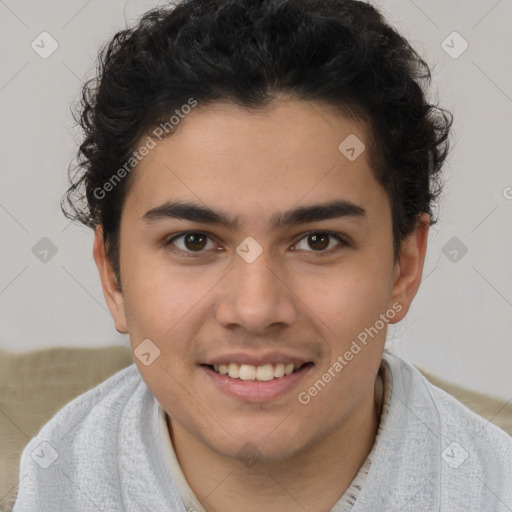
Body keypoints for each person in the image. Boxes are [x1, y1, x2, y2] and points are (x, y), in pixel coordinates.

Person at [13, 0, 511, 510]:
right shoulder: (53, 480)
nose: (254, 310)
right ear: (112, 274)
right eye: (194, 241)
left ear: (403, 269)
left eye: (318, 241)